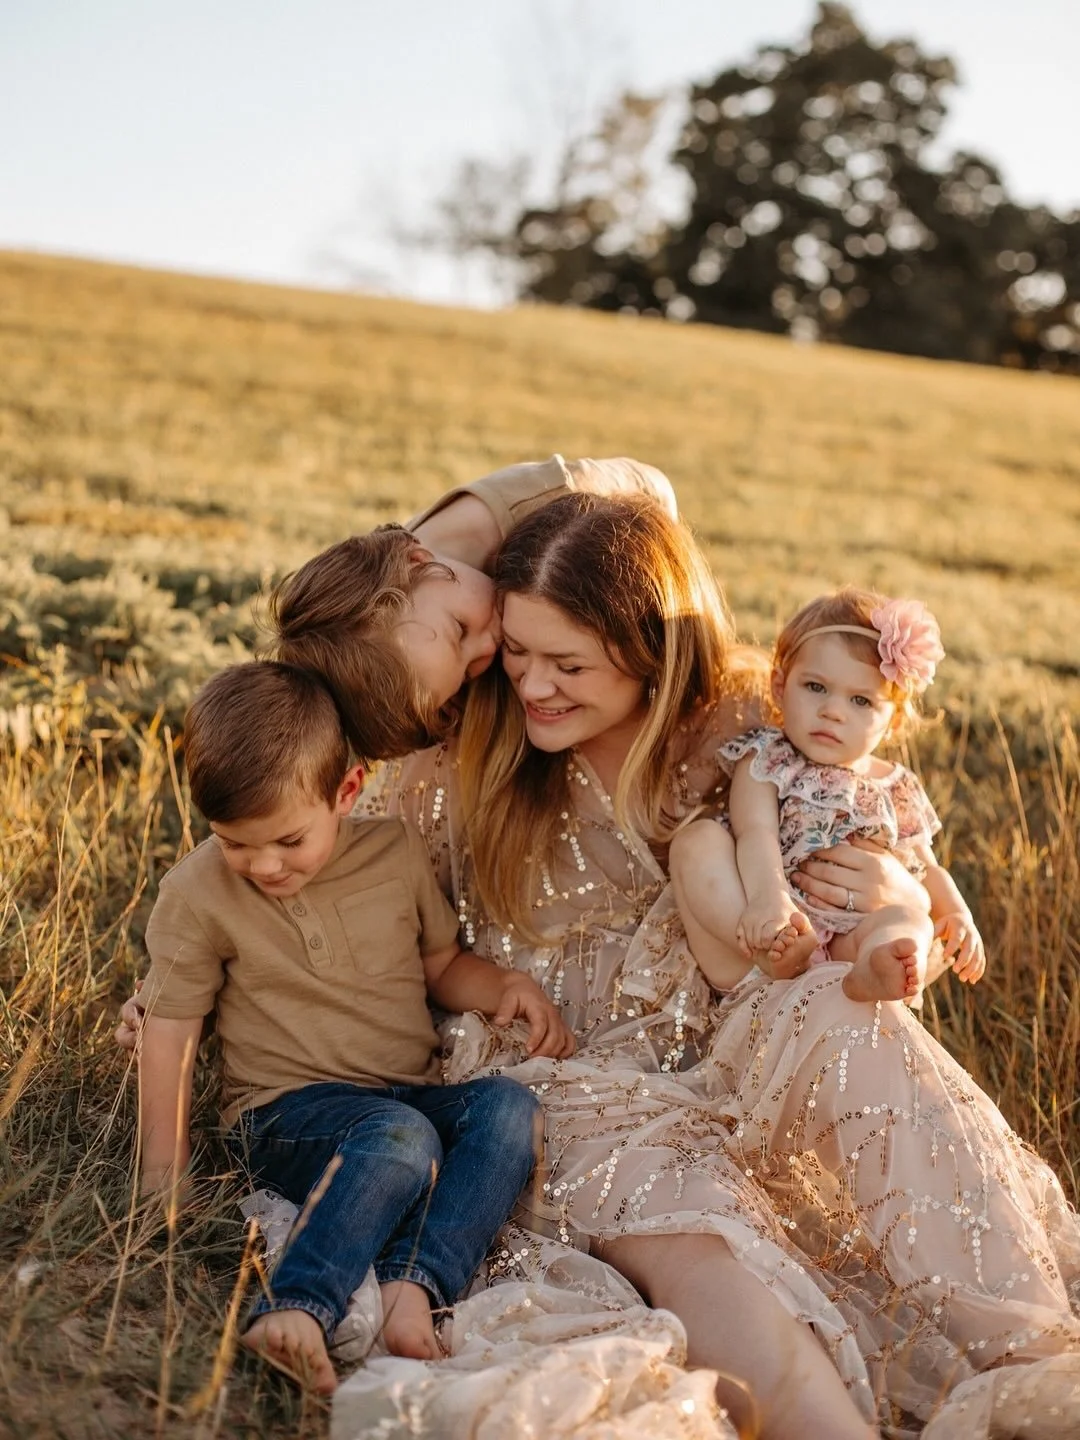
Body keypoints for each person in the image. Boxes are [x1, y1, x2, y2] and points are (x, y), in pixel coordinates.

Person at [351, 492, 1080, 1440]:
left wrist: (893, 914)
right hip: (569, 1078)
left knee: (845, 1012)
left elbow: (871, 855)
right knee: (697, 1232)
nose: (531, 685)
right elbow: (333, 889)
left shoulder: (746, 721)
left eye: (568, 663)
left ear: (651, 649)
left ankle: (1036, 1366)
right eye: (517, 652)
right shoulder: (465, 755)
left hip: (737, 1027)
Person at [135, 660, 571, 1394]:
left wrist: (503, 986)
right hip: (283, 1114)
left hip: (401, 1098)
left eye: (286, 840)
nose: (262, 865)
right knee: (400, 1141)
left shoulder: (393, 855)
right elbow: (170, 1030)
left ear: (346, 791)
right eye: (235, 842)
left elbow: (440, 965)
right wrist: (161, 1170)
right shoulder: (198, 891)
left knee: (509, 1113)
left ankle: (412, 1289)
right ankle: (299, 1306)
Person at [670, 587, 986, 1006]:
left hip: (850, 939)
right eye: (816, 687)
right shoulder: (769, 757)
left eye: (860, 700)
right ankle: (772, 952)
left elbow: (926, 869)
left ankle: (873, 968)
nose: (833, 711)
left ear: (893, 721)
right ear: (780, 687)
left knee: (908, 918)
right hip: (773, 920)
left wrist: (958, 914)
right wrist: (770, 900)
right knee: (698, 840)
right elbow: (755, 832)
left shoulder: (898, 786)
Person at [266, 453, 678, 763]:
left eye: (461, 630)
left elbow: (653, 485)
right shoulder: (411, 607)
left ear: (418, 561)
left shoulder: (553, 496)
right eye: (464, 676)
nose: (488, 646)